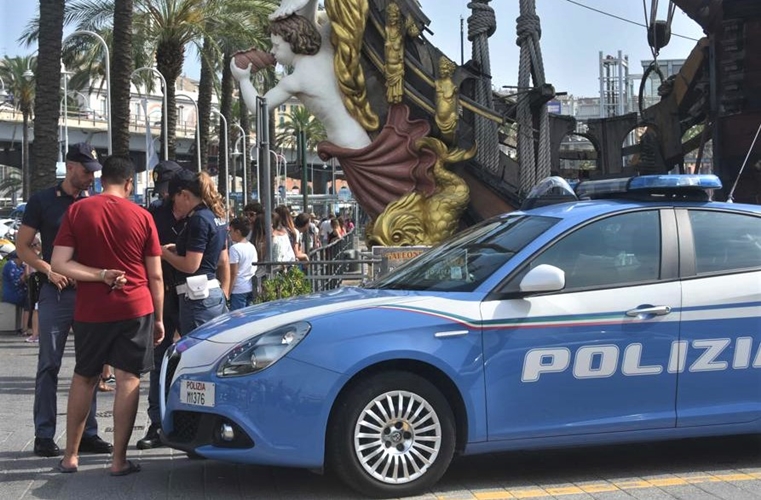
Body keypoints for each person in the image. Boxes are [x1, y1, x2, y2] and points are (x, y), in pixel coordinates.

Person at [52, 154, 164, 476]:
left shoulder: (78, 210)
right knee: (128, 379)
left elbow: (60, 263)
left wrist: (100, 274)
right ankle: (118, 461)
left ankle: (70, 456)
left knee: (84, 377)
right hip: (135, 305)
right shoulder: (142, 216)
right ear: (129, 183)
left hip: (91, 310)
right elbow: (155, 276)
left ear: (102, 181)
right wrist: (158, 318)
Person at [16, 142, 112, 458]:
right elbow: (23, 246)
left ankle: (88, 434)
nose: (91, 178)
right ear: (70, 167)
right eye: (86, 172)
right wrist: (48, 270)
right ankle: (44, 434)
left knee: (90, 366)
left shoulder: (92, 204)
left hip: (87, 293)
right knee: (49, 364)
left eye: (94, 173)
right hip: (54, 293)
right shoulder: (42, 201)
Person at [231, 12, 371, 150]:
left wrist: (243, 79)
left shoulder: (295, 80)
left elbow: (258, 107)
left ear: (293, 41)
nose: (272, 51)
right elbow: (340, 12)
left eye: (277, 46)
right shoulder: (325, 44)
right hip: (359, 134)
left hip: (345, 142)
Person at [136, 160, 185, 450]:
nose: (166, 195)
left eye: (171, 189)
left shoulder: (198, 213)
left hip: (193, 296)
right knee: (158, 362)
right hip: (164, 295)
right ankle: (156, 422)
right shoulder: (154, 213)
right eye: (163, 190)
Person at [161, 171, 229, 336]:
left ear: (184, 195)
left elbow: (191, 266)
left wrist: (163, 252)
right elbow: (221, 259)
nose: (174, 205)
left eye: (174, 200)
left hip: (196, 297)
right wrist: (179, 249)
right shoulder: (216, 216)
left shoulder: (198, 219)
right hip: (213, 292)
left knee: (197, 351)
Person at [227, 217, 258, 310]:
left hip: (238, 288)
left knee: (237, 319)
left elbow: (234, 273)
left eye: (231, 231)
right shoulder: (251, 246)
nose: (229, 234)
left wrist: (228, 292)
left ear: (238, 232)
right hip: (250, 286)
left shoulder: (234, 248)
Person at [2, 250, 28, 334]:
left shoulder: (20, 266)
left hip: (18, 292)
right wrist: (26, 273)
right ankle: (26, 328)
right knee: (31, 301)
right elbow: (17, 282)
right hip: (13, 294)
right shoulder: (10, 265)